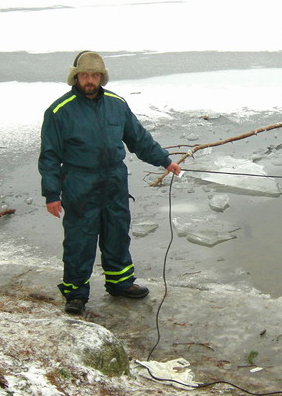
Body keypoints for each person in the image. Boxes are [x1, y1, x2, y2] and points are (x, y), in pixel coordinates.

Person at [38, 51, 181, 315]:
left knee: (117, 233)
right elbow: (49, 156)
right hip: (80, 182)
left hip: (114, 180)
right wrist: (51, 194)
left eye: (94, 75)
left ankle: (120, 283)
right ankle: (76, 294)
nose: (89, 80)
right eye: (84, 75)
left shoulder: (117, 104)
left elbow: (138, 138)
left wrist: (164, 161)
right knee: (80, 239)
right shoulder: (59, 111)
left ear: (102, 77)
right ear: (75, 77)